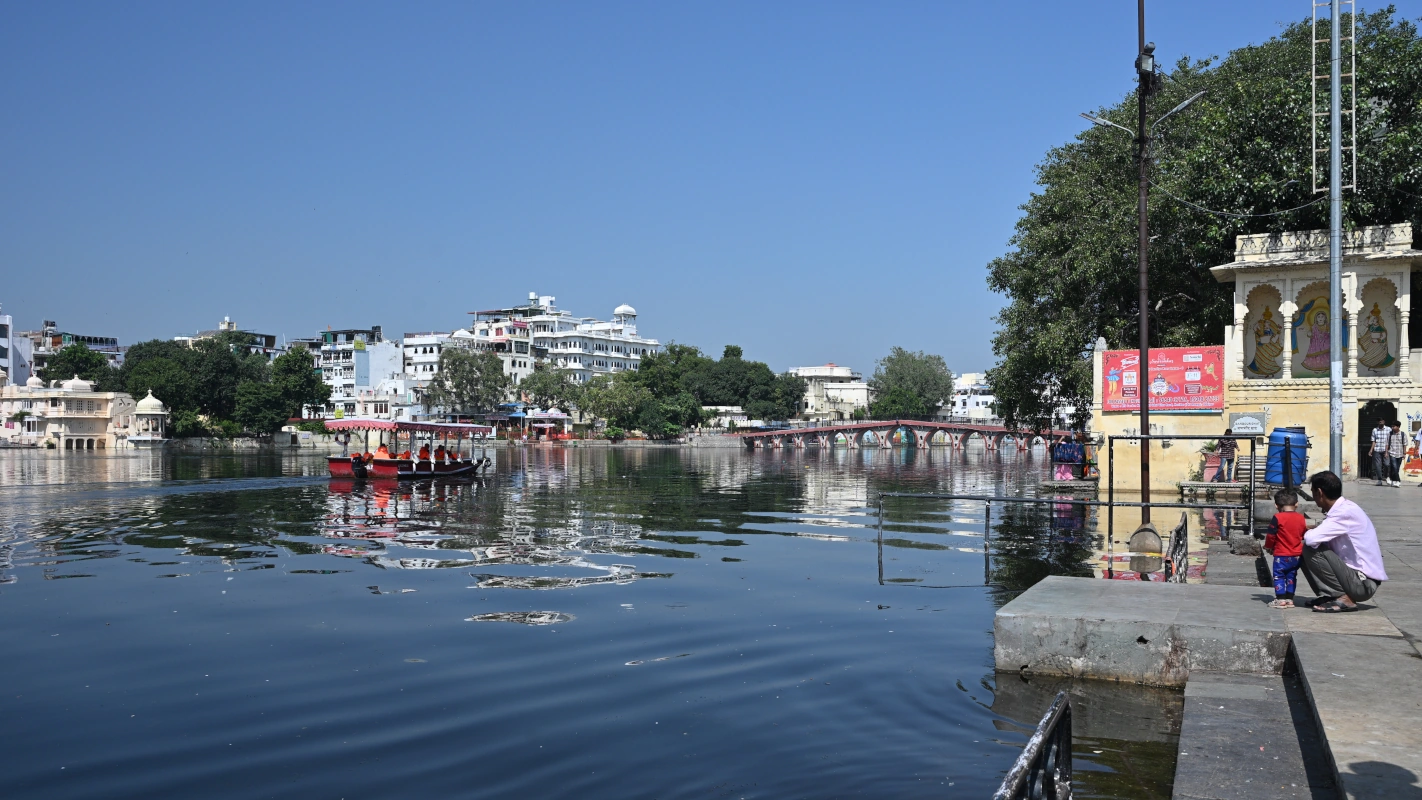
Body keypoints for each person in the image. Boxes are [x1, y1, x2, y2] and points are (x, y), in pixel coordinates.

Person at [1302, 471, 1388, 612]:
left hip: (1363, 584)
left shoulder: (1343, 513)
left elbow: (1311, 539)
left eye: (1313, 492)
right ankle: (1330, 595)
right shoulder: (1345, 508)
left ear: (1319, 492)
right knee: (1309, 544)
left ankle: (1343, 597)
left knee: (1309, 547)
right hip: (1356, 579)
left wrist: (1307, 531)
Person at [1263, 488, 1307, 608]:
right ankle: (1290, 599)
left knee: (1279, 576)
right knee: (1291, 576)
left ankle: (1280, 599)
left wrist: (1268, 547)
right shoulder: (1301, 518)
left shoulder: (1277, 518)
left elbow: (1271, 536)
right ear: (1296, 504)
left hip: (1281, 555)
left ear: (1276, 506)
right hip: (1297, 555)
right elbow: (1303, 534)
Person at [1369, 418, 1389, 485]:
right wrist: (1371, 450)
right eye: (1379, 421)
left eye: (1382, 420)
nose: (1381, 422)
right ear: (1377, 422)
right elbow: (1373, 441)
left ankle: (1386, 477)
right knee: (1377, 466)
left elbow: (1390, 440)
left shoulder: (1389, 429)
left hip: (1386, 450)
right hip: (1377, 450)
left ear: (1384, 421)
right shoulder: (1374, 430)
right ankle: (1380, 479)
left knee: (1387, 464)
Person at [1387, 421, 1406, 487]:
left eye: (1394, 426)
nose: (1392, 428)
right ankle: (1398, 481)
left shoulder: (1403, 434)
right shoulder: (1390, 434)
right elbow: (1387, 443)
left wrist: (1404, 453)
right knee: (1394, 467)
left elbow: (1404, 445)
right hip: (1392, 453)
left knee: (1396, 468)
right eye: (1392, 426)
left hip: (1400, 454)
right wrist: (1386, 452)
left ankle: (1393, 480)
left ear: (1398, 427)